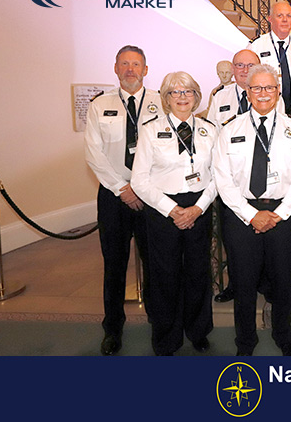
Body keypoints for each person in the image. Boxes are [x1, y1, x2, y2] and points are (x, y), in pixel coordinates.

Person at [213, 64, 291, 356]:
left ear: (278, 91)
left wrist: (280, 213)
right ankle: (245, 341)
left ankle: (283, 335)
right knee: (243, 283)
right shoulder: (230, 129)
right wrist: (250, 214)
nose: (263, 93)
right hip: (241, 215)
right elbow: (222, 178)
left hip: (283, 213)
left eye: (269, 87)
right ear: (248, 92)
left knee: (282, 281)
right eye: (257, 88)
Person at [130, 71, 218, 356]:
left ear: (196, 96)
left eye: (188, 91)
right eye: (175, 92)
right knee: (164, 275)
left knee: (198, 272)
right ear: (166, 98)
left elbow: (219, 175)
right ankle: (166, 336)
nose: (182, 97)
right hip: (162, 209)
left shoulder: (209, 130)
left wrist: (198, 208)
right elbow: (139, 180)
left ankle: (198, 330)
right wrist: (173, 210)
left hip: (199, 206)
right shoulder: (150, 130)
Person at [84, 45, 163, 356]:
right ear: (116, 68)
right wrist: (122, 188)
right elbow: (94, 153)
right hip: (113, 195)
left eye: (136, 64)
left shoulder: (162, 102)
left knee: (155, 263)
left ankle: (160, 324)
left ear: (146, 70)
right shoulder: (99, 105)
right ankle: (113, 328)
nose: (131, 69)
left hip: (152, 196)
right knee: (114, 265)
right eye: (125, 64)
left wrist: (142, 188)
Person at [247, 1, 291, 120]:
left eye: (288, 16)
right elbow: (248, 78)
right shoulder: (256, 46)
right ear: (270, 19)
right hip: (267, 110)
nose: (285, 20)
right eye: (280, 16)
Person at [208, 50, 285, 129]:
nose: (245, 70)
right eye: (240, 65)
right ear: (232, 69)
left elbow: (279, 128)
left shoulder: (272, 97)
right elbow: (211, 131)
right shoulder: (220, 96)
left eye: (251, 65)